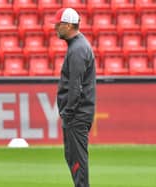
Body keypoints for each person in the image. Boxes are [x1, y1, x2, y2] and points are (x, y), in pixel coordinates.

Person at [51, 8, 96, 187]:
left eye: (58, 24)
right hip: (78, 114)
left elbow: (75, 86)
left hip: (77, 115)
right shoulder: (78, 46)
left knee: (77, 161)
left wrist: (68, 112)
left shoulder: (77, 49)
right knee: (74, 159)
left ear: (68, 25)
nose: (55, 28)